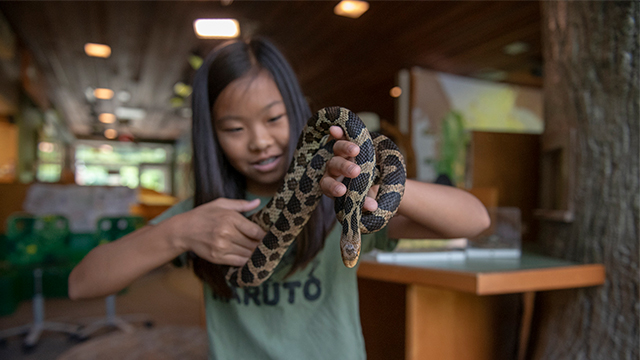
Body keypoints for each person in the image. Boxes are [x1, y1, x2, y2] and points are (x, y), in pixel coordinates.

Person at [68, 38, 490, 359]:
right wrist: (177, 234)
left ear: (296, 111)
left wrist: (379, 185)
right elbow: (80, 284)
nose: (260, 141)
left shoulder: (346, 206)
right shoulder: (206, 218)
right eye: (234, 128)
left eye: (273, 118)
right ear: (209, 135)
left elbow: (475, 220)